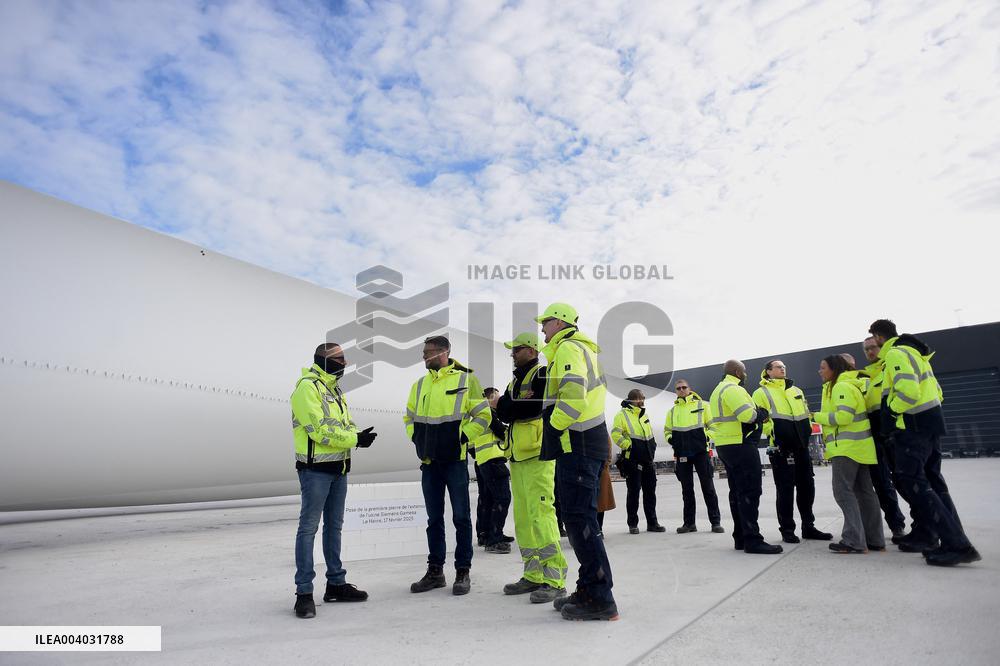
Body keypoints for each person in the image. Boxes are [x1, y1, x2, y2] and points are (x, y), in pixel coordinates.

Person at [868, 319, 980, 566]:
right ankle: (940, 536)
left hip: (912, 428)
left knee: (914, 483)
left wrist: (892, 412)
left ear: (878, 336)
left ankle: (956, 544)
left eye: (872, 340)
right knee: (934, 484)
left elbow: (908, 392)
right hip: (930, 425)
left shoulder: (896, 354)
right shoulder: (915, 354)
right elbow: (938, 392)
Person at [537, 303, 619, 621]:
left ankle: (600, 598)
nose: (542, 328)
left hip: (578, 441)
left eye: (545, 323)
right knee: (578, 519)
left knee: (580, 521)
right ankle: (588, 587)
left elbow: (573, 396)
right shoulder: (577, 349)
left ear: (559, 322)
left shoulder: (569, 348)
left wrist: (554, 428)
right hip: (586, 440)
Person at [290, 342, 377, 618]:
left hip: (338, 469)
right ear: (323, 359)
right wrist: (354, 439)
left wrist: (358, 436)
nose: (345, 363)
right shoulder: (308, 387)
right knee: (308, 529)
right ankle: (304, 593)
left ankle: (335, 584)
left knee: (334, 528)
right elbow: (318, 430)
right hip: (315, 470)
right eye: (339, 359)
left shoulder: (334, 389)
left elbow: (343, 423)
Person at [404, 335, 492, 595]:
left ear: (443, 352)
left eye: (427, 352)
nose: (423, 357)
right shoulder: (419, 385)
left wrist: (462, 437)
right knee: (434, 519)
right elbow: (409, 418)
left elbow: (483, 415)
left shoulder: (466, 381)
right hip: (429, 463)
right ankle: (435, 572)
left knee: (461, 518)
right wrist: (418, 439)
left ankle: (462, 571)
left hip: (455, 461)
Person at [495, 332, 569, 604]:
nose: (512, 353)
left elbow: (531, 407)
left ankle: (555, 579)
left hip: (538, 454)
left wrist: (512, 405)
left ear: (531, 350)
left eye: (517, 349)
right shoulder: (516, 381)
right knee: (524, 518)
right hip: (517, 456)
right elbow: (504, 411)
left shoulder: (542, 375)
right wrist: (513, 404)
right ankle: (533, 574)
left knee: (542, 515)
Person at [708, 360, 783, 555]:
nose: (746, 375)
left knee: (738, 492)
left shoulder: (718, 389)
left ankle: (740, 536)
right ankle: (753, 539)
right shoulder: (733, 389)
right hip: (740, 444)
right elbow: (747, 416)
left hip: (727, 445)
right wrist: (761, 413)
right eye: (744, 371)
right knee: (750, 491)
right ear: (737, 372)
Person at [752, 360, 832, 544]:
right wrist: (775, 434)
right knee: (786, 490)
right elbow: (760, 421)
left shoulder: (796, 391)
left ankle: (808, 527)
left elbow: (805, 414)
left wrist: (806, 433)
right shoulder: (760, 392)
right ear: (768, 372)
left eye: (784, 367)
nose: (783, 369)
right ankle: (787, 530)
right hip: (780, 448)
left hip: (801, 447)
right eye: (778, 367)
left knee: (807, 487)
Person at [812, 355, 884, 553]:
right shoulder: (849, 385)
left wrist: (816, 417)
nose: (820, 371)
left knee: (843, 492)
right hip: (860, 448)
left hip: (847, 449)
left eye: (823, 367)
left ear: (833, 369)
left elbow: (844, 417)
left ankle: (853, 540)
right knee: (865, 492)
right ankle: (874, 539)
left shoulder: (841, 387)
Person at [861, 337, 908, 541]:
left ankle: (923, 523)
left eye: (873, 347)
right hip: (874, 433)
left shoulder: (891, 366)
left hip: (893, 429)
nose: (870, 352)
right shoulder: (866, 377)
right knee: (881, 482)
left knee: (904, 478)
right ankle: (896, 524)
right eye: (866, 349)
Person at [664, 378, 723, 534]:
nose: (682, 390)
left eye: (684, 387)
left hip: (700, 453)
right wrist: (672, 440)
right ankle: (689, 524)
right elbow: (667, 431)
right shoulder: (672, 411)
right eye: (678, 388)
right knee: (687, 490)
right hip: (682, 454)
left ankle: (715, 522)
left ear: (689, 389)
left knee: (708, 487)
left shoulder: (702, 405)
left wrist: (706, 438)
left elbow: (714, 426)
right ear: (676, 391)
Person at [612, 389, 666, 534]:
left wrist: (652, 448)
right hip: (632, 461)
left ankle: (652, 523)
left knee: (650, 493)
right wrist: (628, 446)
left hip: (647, 460)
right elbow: (615, 434)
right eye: (641, 398)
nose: (643, 400)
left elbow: (649, 435)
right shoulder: (621, 415)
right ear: (634, 399)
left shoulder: (644, 415)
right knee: (633, 493)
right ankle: (632, 524)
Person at [469, 387, 512, 554]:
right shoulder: (488, 413)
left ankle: (484, 534)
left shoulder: (476, 417)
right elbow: (502, 432)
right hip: (493, 461)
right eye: (497, 397)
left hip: (482, 462)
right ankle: (495, 538)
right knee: (502, 498)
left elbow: (471, 445)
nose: (499, 400)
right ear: (489, 398)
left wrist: (480, 456)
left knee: (486, 498)